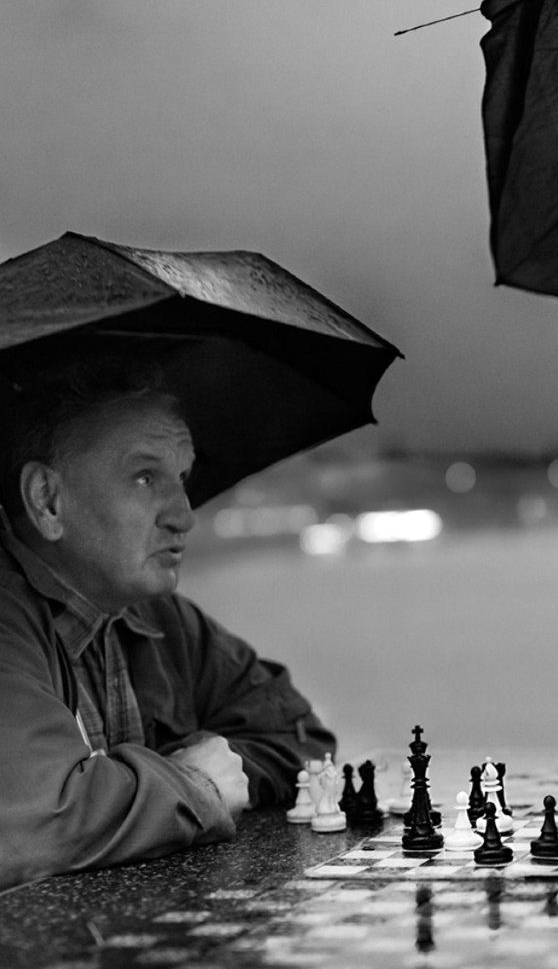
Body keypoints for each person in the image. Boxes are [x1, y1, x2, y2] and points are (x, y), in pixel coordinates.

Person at [0, 357, 335, 888]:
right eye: (144, 476)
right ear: (47, 501)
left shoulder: (158, 619)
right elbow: (36, 823)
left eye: (181, 477)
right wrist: (194, 784)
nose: (183, 514)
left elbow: (298, 735)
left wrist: (192, 778)